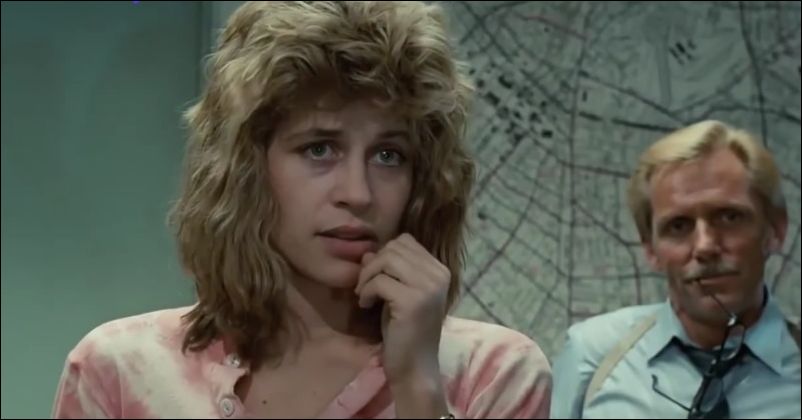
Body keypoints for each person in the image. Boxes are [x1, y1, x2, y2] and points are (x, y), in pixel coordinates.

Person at [51, 2, 552, 418]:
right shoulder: (118, 371)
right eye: (320, 149)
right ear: (248, 170)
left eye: (388, 155)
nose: (358, 193)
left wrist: (419, 388)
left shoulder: (494, 375)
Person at [550, 120, 801, 419]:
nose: (705, 246)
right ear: (650, 248)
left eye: (729, 217)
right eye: (679, 226)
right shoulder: (593, 356)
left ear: (776, 230)